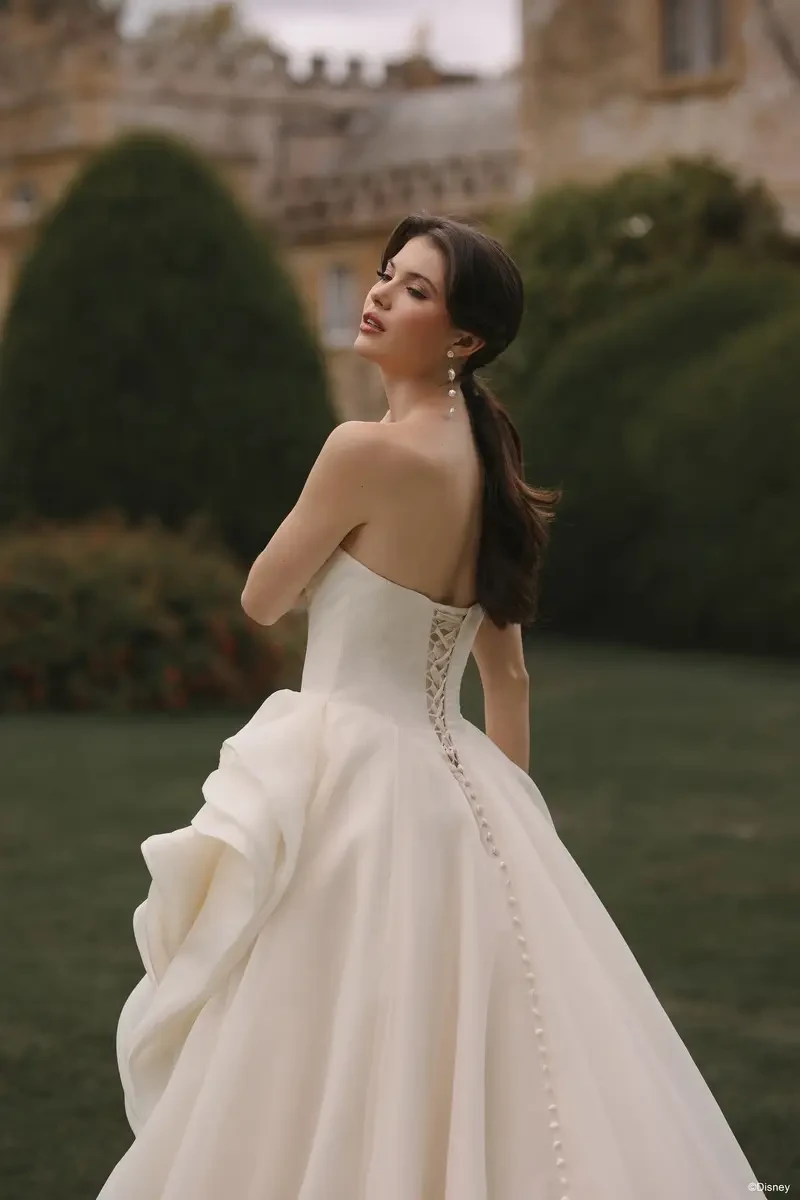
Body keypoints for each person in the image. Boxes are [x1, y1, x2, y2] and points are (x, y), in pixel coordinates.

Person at [96, 213, 757, 1199]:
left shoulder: (361, 450)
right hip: (461, 796)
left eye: (413, 290)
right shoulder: (492, 473)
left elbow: (262, 598)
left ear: (462, 340)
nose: (377, 294)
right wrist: (507, 830)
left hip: (346, 782)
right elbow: (508, 681)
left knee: (314, 1038)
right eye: (383, 274)